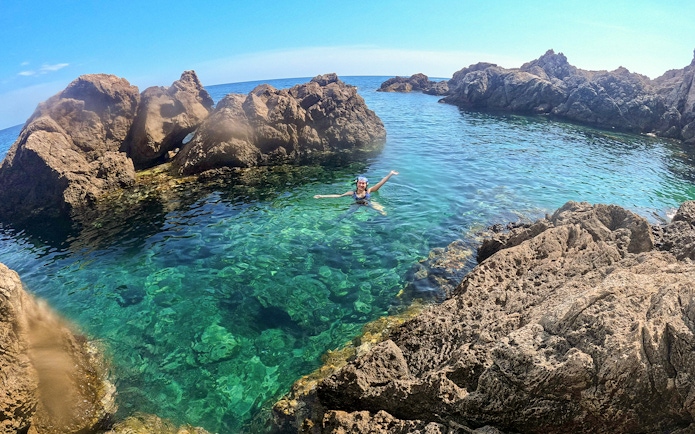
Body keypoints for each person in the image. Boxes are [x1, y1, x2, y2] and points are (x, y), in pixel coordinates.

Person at [314, 170, 399, 215]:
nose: (361, 185)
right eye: (360, 183)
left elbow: (380, 183)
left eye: (363, 183)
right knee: (346, 214)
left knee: (384, 213)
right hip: (356, 204)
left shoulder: (369, 191)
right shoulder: (352, 193)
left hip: (368, 202)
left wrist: (390, 174)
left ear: (366, 185)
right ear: (357, 184)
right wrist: (321, 196)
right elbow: (338, 196)